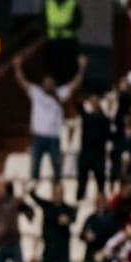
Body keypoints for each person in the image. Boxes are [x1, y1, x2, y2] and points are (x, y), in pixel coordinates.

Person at [14, 54, 83, 184]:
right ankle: (34, 189)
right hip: (38, 136)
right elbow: (22, 81)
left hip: (53, 138)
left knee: (57, 167)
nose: (49, 85)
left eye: (51, 83)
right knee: (35, 167)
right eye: (46, 83)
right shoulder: (36, 93)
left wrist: (82, 69)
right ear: (43, 84)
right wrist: (17, 67)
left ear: (54, 84)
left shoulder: (60, 94)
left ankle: (57, 188)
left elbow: (74, 84)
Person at [27, 182, 77, 262]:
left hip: (63, 249)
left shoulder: (67, 208)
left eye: (60, 193)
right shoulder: (47, 205)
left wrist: (67, 220)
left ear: (63, 194)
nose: (57, 195)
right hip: (49, 247)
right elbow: (32, 195)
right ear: (52, 194)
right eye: (56, 193)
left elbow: (73, 217)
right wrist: (35, 185)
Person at [43, 0, 82, 83]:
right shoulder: (49, 3)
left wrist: (64, 27)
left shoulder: (72, 3)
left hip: (68, 42)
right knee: (53, 68)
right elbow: (42, 20)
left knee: (67, 69)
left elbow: (78, 22)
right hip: (53, 41)